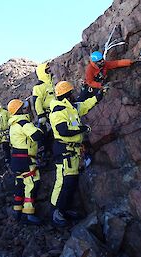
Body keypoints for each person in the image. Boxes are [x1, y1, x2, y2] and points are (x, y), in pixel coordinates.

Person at [49, 81, 102, 226]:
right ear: (66, 94)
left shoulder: (70, 107)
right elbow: (63, 131)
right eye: (71, 93)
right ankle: (56, 212)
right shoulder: (58, 111)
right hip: (64, 151)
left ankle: (64, 210)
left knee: (70, 183)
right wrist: (82, 129)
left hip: (71, 152)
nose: (73, 95)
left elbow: (83, 106)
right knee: (64, 183)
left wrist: (98, 97)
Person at [8, 99, 44, 225]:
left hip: (16, 159)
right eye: (24, 107)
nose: (26, 109)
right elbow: (37, 136)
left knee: (19, 184)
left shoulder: (13, 125)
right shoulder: (23, 123)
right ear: (20, 110)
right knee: (32, 183)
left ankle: (17, 210)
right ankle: (28, 213)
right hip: (26, 159)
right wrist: (41, 129)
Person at [32, 62, 55, 164]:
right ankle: (42, 156)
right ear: (42, 71)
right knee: (43, 135)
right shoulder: (38, 87)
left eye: (49, 69)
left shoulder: (52, 82)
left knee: (54, 134)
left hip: (56, 112)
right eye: (47, 69)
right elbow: (37, 101)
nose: (49, 70)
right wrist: (41, 115)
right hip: (46, 114)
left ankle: (52, 153)